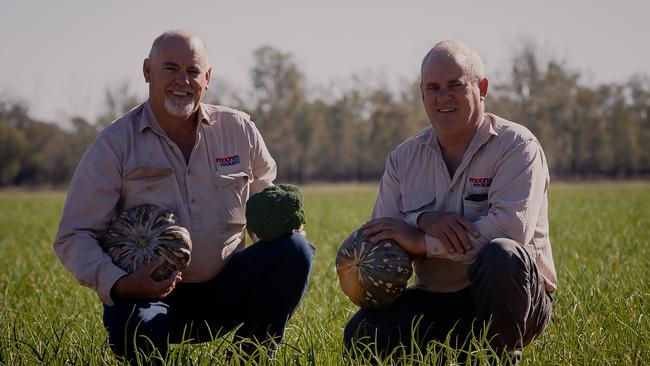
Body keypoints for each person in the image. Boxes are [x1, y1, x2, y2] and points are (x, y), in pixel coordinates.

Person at [53, 30, 314, 363]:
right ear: (148, 71)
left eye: (192, 71)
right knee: (136, 327)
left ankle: (249, 359)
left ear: (207, 78)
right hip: (148, 298)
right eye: (170, 68)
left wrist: (285, 228)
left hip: (227, 289)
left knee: (295, 250)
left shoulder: (239, 131)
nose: (182, 81)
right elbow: (74, 236)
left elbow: (266, 205)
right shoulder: (114, 145)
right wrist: (121, 284)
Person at [344, 40, 557, 363]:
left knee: (501, 254)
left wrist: (422, 243)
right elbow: (382, 236)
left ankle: (500, 357)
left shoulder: (516, 147)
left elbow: (510, 231)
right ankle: (454, 350)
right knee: (362, 334)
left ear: (482, 88)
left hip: (514, 300)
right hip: (438, 298)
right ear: (422, 94)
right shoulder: (404, 158)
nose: (443, 97)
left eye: (455, 85)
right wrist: (422, 219)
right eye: (433, 88)